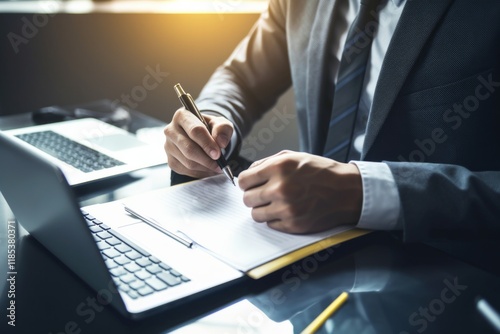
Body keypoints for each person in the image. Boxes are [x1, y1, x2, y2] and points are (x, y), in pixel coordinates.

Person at [164, 0, 500, 242]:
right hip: (303, 254)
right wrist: (212, 119)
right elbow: (240, 78)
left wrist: (365, 191)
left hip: (445, 270)